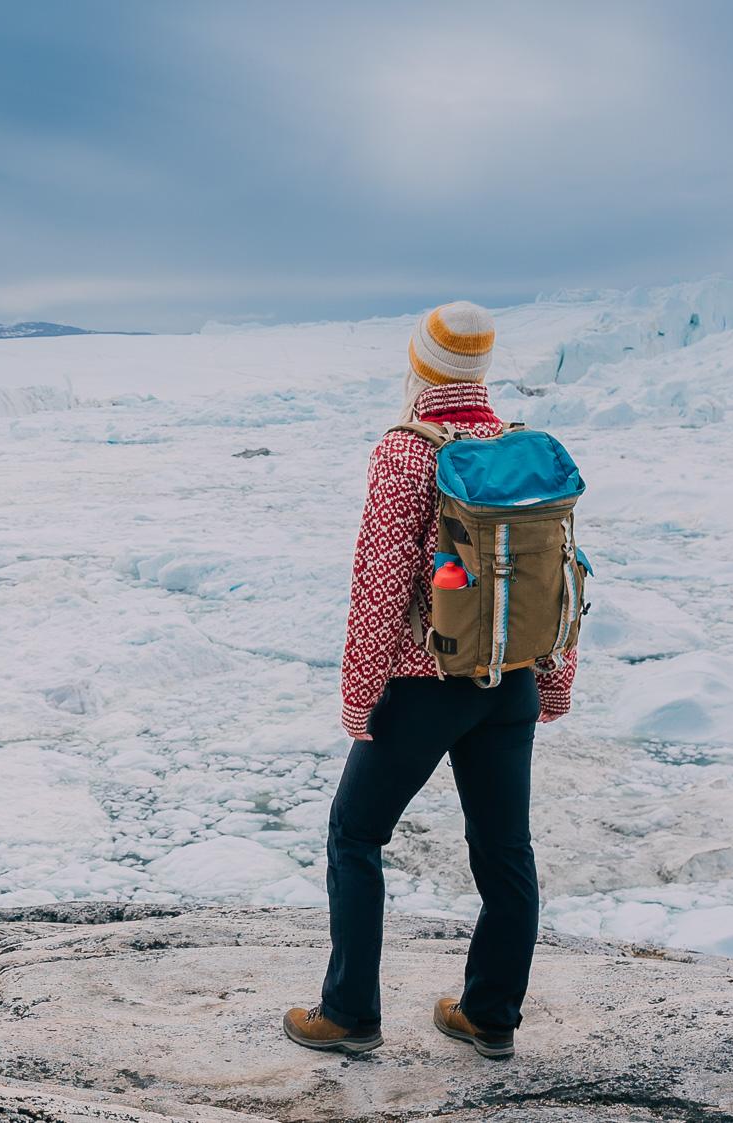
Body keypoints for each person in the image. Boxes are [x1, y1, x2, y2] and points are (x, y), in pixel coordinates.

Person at [284, 302, 578, 1060]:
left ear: (421, 364)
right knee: (505, 850)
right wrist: (553, 677)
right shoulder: (524, 450)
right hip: (508, 680)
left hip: (424, 686)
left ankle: (348, 1013)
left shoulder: (407, 451)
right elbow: (559, 579)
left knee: (355, 832)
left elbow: (379, 582)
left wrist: (359, 691)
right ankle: (489, 1014)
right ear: (480, 371)